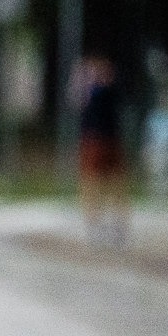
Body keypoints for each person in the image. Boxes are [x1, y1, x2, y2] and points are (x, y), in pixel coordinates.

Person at [74, 54, 129, 247]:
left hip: (98, 141)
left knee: (96, 183)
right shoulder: (105, 90)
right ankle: (108, 225)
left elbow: (79, 101)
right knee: (105, 183)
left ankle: (104, 225)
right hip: (104, 139)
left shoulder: (100, 91)